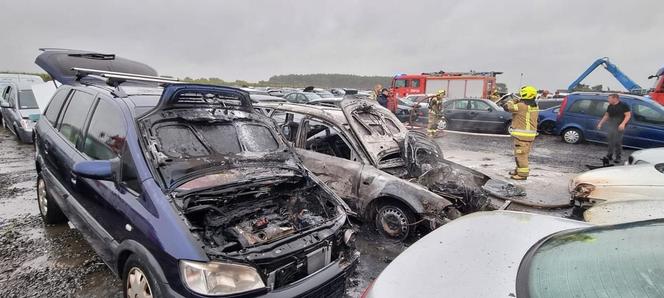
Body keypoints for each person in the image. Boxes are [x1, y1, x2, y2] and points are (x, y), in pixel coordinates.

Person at [503, 86, 539, 180]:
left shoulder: (522, 106)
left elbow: (507, 107)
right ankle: (518, 170)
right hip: (529, 136)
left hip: (522, 136)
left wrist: (513, 100)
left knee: (521, 155)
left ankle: (522, 175)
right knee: (522, 154)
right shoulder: (533, 105)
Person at [596, 93, 631, 164]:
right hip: (611, 125)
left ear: (615, 98)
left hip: (619, 127)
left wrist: (623, 124)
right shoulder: (610, 106)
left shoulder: (624, 105)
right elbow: (606, 115)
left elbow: (628, 115)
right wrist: (600, 123)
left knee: (617, 142)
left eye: (609, 98)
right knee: (610, 141)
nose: (608, 100)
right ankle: (609, 155)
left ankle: (618, 158)